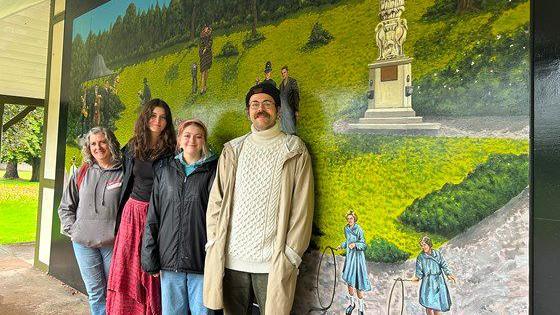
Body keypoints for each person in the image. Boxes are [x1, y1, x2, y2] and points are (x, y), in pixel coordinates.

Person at [203, 83, 314, 314]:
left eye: (267, 103)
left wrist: (291, 255)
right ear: (248, 112)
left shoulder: (294, 150)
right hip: (231, 261)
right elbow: (216, 202)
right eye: (254, 104)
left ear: (278, 110)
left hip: (272, 264)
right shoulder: (233, 150)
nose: (260, 109)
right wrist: (214, 242)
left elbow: (303, 208)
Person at [107, 99, 177, 315]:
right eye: (153, 116)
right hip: (132, 213)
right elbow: (125, 180)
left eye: (163, 117)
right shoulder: (133, 145)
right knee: (128, 268)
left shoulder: (172, 150)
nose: (158, 121)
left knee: (150, 267)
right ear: (146, 118)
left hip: (157, 215)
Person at [141, 119, 218, 315]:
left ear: (204, 141)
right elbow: (153, 217)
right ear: (179, 140)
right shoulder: (164, 170)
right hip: (169, 261)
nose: (192, 140)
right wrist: (150, 257)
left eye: (198, 136)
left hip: (201, 261)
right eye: (187, 135)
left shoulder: (214, 170)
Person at [58, 127, 124, 315]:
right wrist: (74, 230)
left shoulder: (124, 172)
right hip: (83, 244)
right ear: (88, 147)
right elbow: (65, 206)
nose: (98, 147)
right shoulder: (82, 172)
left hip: (112, 244)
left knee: (114, 290)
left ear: (110, 143)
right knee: (95, 293)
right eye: (93, 143)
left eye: (102, 142)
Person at [410, 235, 457, 315]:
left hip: (438, 281)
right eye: (421, 245)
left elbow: (444, 264)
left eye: (424, 245)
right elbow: (419, 271)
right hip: (427, 283)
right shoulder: (421, 257)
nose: (423, 247)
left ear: (429, 244)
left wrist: (448, 274)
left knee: (437, 305)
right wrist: (417, 277)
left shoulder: (437, 254)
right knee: (428, 304)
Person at [336, 210, 371, 315]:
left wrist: (355, 245)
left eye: (351, 218)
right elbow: (347, 241)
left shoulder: (359, 229)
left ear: (354, 219)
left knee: (358, 284)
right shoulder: (346, 228)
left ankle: (361, 309)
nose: (349, 220)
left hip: (358, 260)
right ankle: (352, 304)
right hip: (350, 259)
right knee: (350, 283)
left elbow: (364, 245)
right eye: (348, 218)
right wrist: (341, 246)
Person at [279, 66, 300, 135]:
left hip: (291, 110)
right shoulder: (281, 85)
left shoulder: (293, 82)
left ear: (287, 72)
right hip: (283, 112)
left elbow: (296, 96)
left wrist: (296, 110)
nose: (283, 74)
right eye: (282, 73)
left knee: (292, 129)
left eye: (284, 72)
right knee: (285, 130)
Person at [199, 25, 213, 94]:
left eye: (208, 29)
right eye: (206, 29)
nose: (207, 30)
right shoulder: (202, 37)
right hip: (203, 55)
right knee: (203, 72)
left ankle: (205, 86)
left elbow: (210, 44)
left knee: (206, 71)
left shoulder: (210, 37)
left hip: (208, 55)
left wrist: (206, 49)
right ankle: (202, 88)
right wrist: (202, 51)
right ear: (204, 29)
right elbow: (201, 45)